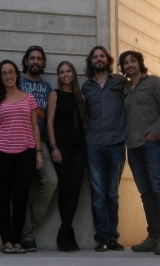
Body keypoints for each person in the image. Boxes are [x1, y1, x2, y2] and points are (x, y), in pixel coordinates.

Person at [0, 60, 43, 254]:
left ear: (17, 74)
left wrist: (38, 152)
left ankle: (18, 240)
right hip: (0, 152)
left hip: (25, 153)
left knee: (20, 198)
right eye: (4, 73)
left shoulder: (29, 98)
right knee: (3, 198)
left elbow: (35, 126)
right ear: (0, 77)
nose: (8, 76)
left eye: (11, 72)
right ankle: (7, 241)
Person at [120, 50, 160, 255]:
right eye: (125, 63)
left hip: (151, 145)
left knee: (158, 189)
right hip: (133, 147)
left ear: (139, 63)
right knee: (145, 193)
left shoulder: (153, 82)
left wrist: (155, 133)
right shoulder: (125, 88)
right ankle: (153, 236)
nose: (129, 65)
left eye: (132, 61)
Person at [81, 45, 127, 252]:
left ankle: (113, 237)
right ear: (91, 62)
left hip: (117, 143)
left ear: (107, 60)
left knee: (112, 194)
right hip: (93, 145)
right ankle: (102, 238)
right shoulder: (86, 87)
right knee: (98, 193)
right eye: (95, 57)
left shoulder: (120, 82)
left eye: (102, 56)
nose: (98, 59)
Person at [46, 61, 87, 252]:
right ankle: (67, 234)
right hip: (61, 147)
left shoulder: (81, 97)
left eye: (68, 71)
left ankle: (65, 231)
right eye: (61, 72)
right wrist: (53, 146)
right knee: (64, 188)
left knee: (75, 187)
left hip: (79, 147)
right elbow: (49, 122)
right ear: (58, 75)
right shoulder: (55, 94)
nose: (65, 75)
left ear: (73, 73)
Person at [20, 45, 57, 252]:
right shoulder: (17, 81)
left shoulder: (47, 87)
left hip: (41, 142)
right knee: (22, 187)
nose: (35, 62)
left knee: (51, 181)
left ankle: (28, 226)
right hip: (20, 141)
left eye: (39, 59)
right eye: (32, 58)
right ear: (26, 61)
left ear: (43, 63)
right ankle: (26, 236)